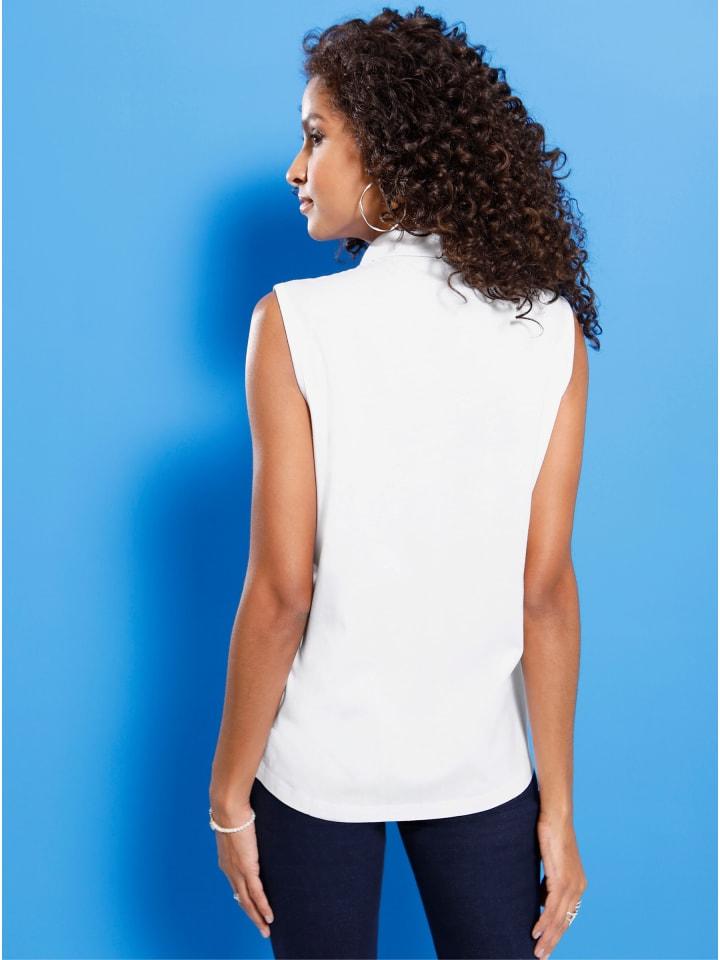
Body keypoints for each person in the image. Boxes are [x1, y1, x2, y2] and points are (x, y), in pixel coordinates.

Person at [209, 7, 598, 959]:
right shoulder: (548, 327)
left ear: (387, 150)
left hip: (316, 772)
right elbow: (545, 588)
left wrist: (227, 796)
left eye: (315, 136)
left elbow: (281, 592)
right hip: (482, 768)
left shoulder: (293, 323)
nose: (296, 169)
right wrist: (558, 810)